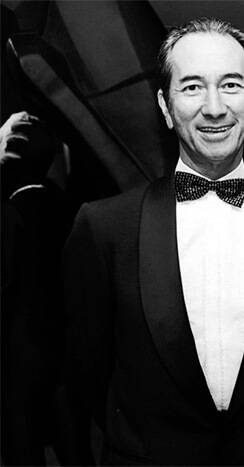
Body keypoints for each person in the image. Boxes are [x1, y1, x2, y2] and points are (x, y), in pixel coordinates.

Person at [61, 18, 244, 465]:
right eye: (193, 87)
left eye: (232, 85)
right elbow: (82, 377)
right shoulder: (105, 228)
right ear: (165, 106)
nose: (215, 107)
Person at [1, 111, 93, 466]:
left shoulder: (9, 214)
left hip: (19, 358)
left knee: (22, 451)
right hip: (66, 355)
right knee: (76, 452)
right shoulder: (71, 211)